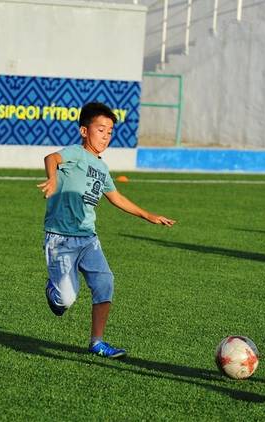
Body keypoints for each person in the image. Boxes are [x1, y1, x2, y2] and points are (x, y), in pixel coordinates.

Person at [37, 102, 176, 359]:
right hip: (61, 238)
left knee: (105, 283)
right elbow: (51, 158)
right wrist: (53, 177)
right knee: (64, 300)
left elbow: (115, 197)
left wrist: (149, 216)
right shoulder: (76, 153)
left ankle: (97, 342)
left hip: (88, 238)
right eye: (100, 130)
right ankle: (53, 291)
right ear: (84, 131)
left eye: (110, 132)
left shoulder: (102, 168)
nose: (105, 136)